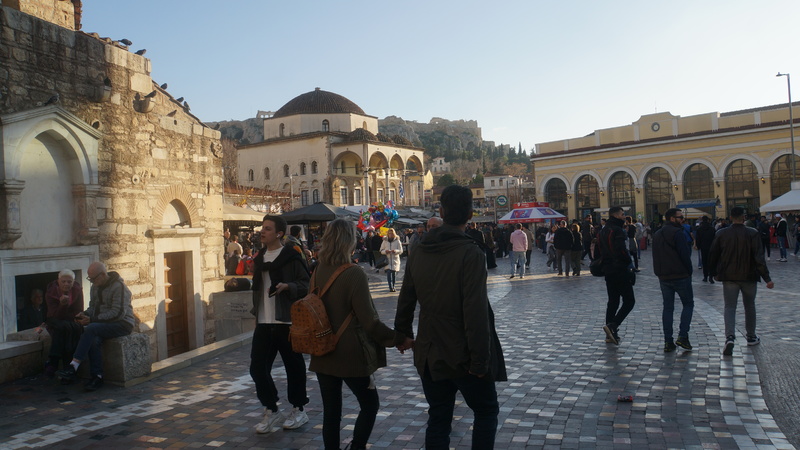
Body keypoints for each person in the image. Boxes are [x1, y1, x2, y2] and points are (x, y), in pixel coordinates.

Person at [395, 185, 506, 449]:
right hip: (463, 351)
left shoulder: (419, 249)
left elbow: (406, 297)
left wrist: (402, 334)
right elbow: (475, 311)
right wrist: (480, 361)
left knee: (439, 416)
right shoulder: (470, 252)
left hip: (430, 350)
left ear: (442, 212)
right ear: (470, 214)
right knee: (486, 410)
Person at [308, 219, 411, 450]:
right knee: (370, 404)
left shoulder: (317, 270)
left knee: (331, 412)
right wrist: (398, 339)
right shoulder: (353, 273)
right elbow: (370, 321)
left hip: (323, 350)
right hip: (350, 353)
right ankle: (357, 446)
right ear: (349, 241)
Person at [250, 215, 311, 434]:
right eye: (262, 228)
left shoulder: (291, 256)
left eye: (267, 228)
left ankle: (299, 409)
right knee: (257, 369)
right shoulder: (259, 258)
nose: (262, 231)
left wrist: (288, 286)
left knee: (294, 368)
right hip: (264, 322)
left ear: (279, 233)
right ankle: (272, 409)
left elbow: (306, 284)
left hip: (287, 321)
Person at [56, 262, 134, 391]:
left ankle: (74, 365)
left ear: (102, 275)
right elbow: (93, 307)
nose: (91, 282)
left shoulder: (119, 287)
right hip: (103, 323)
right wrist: (85, 314)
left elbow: (118, 313)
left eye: (93, 279)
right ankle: (97, 376)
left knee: (91, 328)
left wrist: (92, 320)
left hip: (122, 324)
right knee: (93, 339)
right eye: (90, 279)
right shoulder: (95, 287)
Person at [708, 207, 774, 356]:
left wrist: (712, 273)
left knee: (730, 307)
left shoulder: (722, 233)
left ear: (731, 217)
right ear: (744, 217)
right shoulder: (753, 233)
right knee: (749, 306)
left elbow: (713, 254)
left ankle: (730, 337)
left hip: (729, 276)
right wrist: (767, 278)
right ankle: (751, 336)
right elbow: (759, 258)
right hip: (749, 276)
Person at [652, 208, 694, 353]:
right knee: (688, 304)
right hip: (680, 275)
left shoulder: (657, 234)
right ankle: (683, 336)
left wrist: (658, 272)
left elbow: (655, 255)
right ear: (672, 218)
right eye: (680, 217)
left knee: (668, 308)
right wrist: (689, 271)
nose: (682, 219)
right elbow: (684, 254)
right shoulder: (678, 233)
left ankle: (668, 341)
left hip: (664, 276)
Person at [596, 206, 636, 345]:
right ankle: (613, 326)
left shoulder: (603, 230)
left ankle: (610, 334)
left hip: (608, 269)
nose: (624, 216)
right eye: (623, 214)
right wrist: (629, 264)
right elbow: (622, 250)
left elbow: (598, 251)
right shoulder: (617, 230)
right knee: (629, 301)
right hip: (620, 269)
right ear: (617, 215)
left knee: (613, 301)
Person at [43, 270, 84, 378]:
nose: (66, 284)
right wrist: (62, 305)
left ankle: (54, 362)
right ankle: (65, 365)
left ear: (73, 282)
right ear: (58, 281)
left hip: (71, 321)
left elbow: (78, 310)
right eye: (63, 281)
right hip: (54, 320)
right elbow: (55, 316)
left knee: (69, 328)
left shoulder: (77, 290)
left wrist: (70, 316)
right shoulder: (51, 292)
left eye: (69, 282)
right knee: (62, 327)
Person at [694, 216, 716, 283]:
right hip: (711, 247)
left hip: (703, 247)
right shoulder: (712, 229)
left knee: (704, 262)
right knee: (711, 262)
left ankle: (705, 277)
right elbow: (715, 238)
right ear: (708, 220)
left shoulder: (699, 229)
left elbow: (698, 239)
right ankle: (711, 277)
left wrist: (698, 246)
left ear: (702, 220)